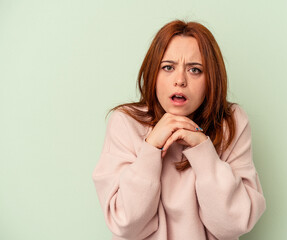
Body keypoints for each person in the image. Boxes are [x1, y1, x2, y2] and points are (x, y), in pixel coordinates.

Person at [92, 20, 266, 240]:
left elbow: (233, 224)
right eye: (168, 67)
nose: (180, 81)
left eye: (195, 70)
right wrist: (150, 149)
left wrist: (204, 151)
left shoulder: (231, 122)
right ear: (153, 74)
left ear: (211, 78)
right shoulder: (125, 122)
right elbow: (125, 223)